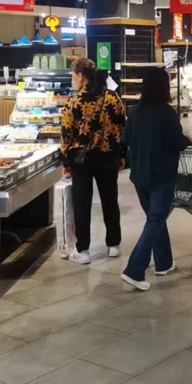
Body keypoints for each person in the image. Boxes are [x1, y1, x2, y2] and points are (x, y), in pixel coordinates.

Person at [121, 67, 191, 290]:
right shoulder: (166, 112)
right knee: (155, 220)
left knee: (155, 219)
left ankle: (163, 263)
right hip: (162, 175)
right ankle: (134, 270)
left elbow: (125, 139)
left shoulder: (135, 111)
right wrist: (188, 140)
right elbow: (176, 142)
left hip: (139, 175)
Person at [60, 57, 125, 264]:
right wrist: (121, 155)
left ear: (80, 76)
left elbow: (66, 134)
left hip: (82, 160)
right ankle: (113, 244)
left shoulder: (74, 101)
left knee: (82, 204)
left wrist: (66, 162)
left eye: (73, 77)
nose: (73, 81)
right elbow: (121, 126)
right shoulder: (112, 98)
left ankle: (84, 250)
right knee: (110, 199)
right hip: (108, 156)